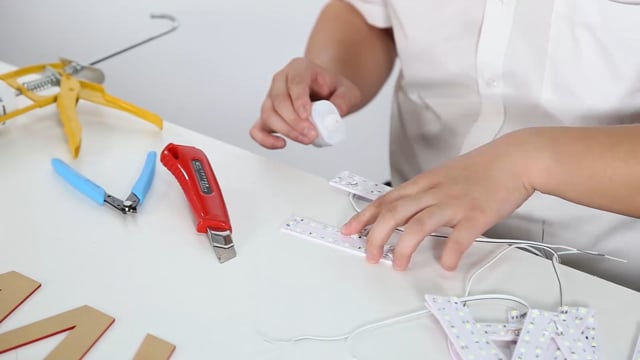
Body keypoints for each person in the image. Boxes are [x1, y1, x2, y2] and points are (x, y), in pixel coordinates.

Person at [250, 0, 640, 291]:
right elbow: (370, 13)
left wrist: (525, 161)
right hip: (415, 234)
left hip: (608, 276)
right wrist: (334, 75)